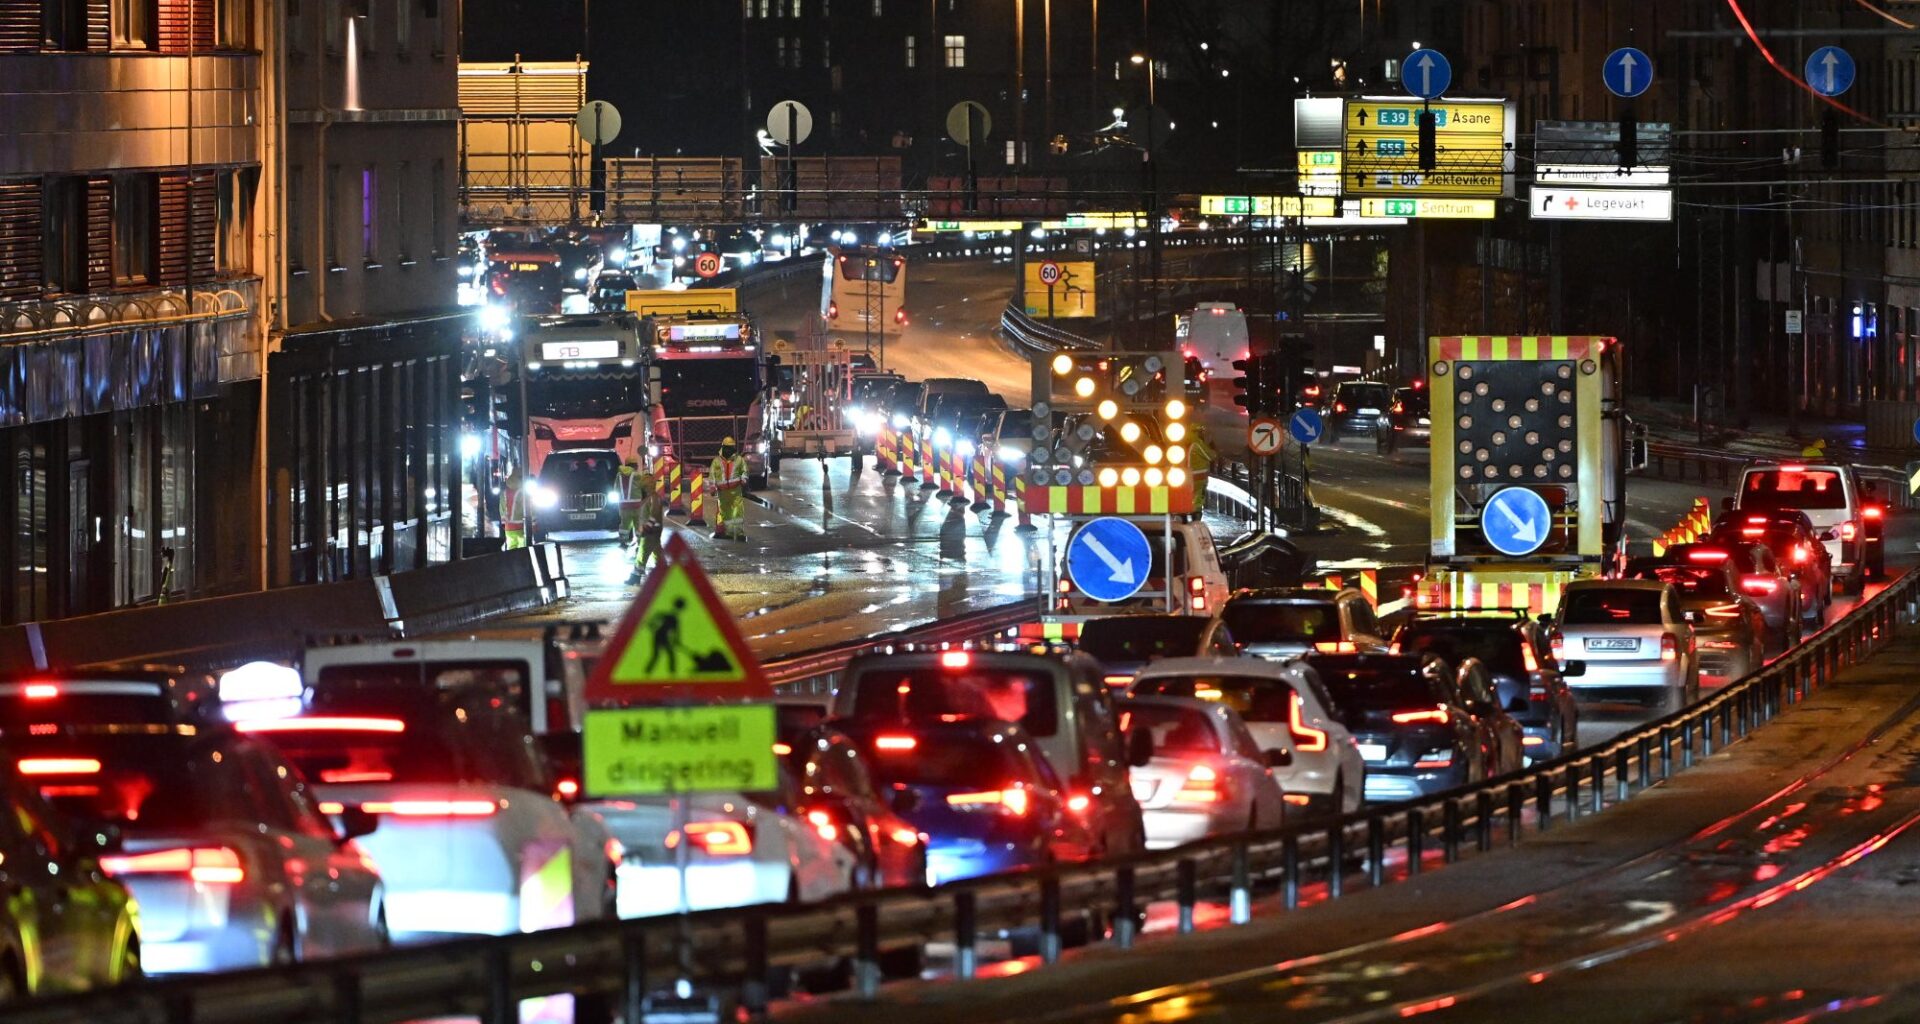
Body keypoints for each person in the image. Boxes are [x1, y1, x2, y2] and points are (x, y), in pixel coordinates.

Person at [708, 437, 750, 541]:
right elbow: (712, 476)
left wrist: (744, 479)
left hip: (735, 490)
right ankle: (730, 532)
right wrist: (712, 487)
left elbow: (745, 471)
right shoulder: (717, 461)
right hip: (722, 491)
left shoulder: (739, 460)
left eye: (730, 447)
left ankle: (739, 533)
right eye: (727, 447)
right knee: (725, 513)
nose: (728, 450)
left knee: (738, 512)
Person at [628, 472, 666, 584]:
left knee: (642, 553)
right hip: (652, 530)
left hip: (651, 531)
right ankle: (664, 572)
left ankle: (635, 577)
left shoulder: (653, 498)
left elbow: (654, 514)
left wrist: (646, 527)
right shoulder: (650, 497)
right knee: (657, 552)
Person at [615, 458, 643, 547]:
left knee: (624, 524)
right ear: (634, 465)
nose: (638, 467)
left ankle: (623, 540)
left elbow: (615, 488)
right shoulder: (637, 475)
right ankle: (640, 541)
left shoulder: (619, 475)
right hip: (637, 505)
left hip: (623, 505)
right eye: (637, 465)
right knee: (638, 524)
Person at [501, 470, 530, 549]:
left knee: (511, 549)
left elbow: (502, 508)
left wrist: (504, 523)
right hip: (521, 526)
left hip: (509, 527)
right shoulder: (524, 492)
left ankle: (512, 561)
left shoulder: (505, 491)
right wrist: (534, 524)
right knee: (523, 549)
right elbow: (529, 508)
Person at [1188, 424, 1217, 496]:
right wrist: (1212, 448)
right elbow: (1211, 456)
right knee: (1198, 500)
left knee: (1197, 499)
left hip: (1198, 478)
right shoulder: (1197, 444)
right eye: (1201, 432)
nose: (1203, 434)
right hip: (1198, 478)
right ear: (1196, 433)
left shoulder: (1195, 443)